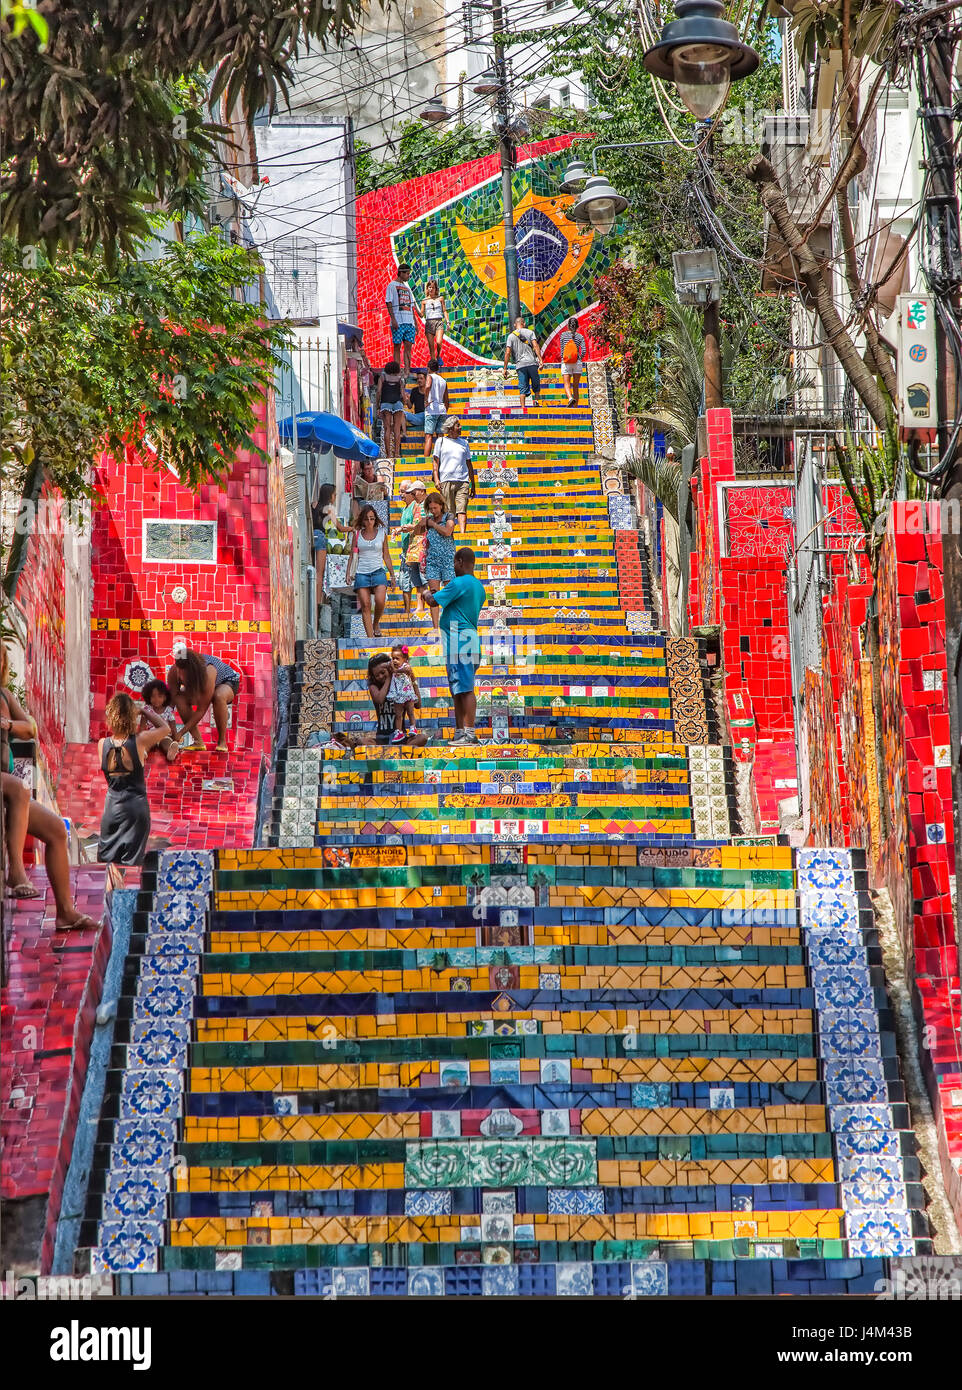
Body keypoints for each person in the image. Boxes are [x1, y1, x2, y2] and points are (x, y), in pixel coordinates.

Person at [1, 646, 100, 929]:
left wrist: (7, 724)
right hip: (8, 784)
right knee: (20, 789)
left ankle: (65, 913)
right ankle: (17, 872)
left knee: (57, 829)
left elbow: (30, 727)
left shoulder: (5, 696)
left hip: (6, 783)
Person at [97, 692, 170, 887]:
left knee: (107, 866)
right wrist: (144, 710)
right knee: (132, 868)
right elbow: (165, 728)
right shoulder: (140, 741)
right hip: (136, 808)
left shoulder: (102, 744)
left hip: (112, 808)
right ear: (132, 716)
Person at [424, 547, 486, 743]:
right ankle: (460, 732)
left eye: (454, 563)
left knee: (465, 689)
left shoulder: (459, 583)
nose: (453, 567)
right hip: (466, 641)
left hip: (460, 642)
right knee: (458, 688)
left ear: (460, 561)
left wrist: (427, 594)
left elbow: (434, 602)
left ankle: (469, 733)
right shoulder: (478, 586)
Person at [167, 647, 241, 754]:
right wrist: (168, 728)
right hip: (200, 685)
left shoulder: (208, 672)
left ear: (194, 671)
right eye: (180, 673)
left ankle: (222, 742)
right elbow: (171, 702)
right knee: (179, 699)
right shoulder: (174, 671)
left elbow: (201, 710)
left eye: (186, 675)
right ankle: (198, 742)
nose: (182, 677)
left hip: (227, 682)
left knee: (218, 696)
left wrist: (181, 732)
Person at [351, 503, 395, 639]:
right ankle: (370, 639)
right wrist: (348, 573)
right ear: (362, 520)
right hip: (361, 572)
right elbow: (352, 555)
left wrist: (392, 575)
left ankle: (376, 624)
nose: (369, 522)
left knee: (380, 600)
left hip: (378, 571)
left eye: (372, 518)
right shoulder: (357, 534)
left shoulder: (382, 533)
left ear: (375, 519)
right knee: (365, 605)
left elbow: (386, 555)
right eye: (366, 519)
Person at [365, 653, 427, 748]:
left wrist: (412, 679)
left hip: (400, 737)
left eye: (383, 672)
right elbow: (380, 699)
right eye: (377, 675)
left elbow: (418, 705)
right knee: (362, 741)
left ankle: (397, 749)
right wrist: (390, 676)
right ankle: (396, 750)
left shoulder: (401, 684)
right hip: (382, 737)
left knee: (423, 738)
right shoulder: (374, 686)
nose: (381, 676)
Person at [431, 415, 475, 535]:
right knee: (449, 510)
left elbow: (469, 464)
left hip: (463, 480)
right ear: (450, 428)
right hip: (446, 480)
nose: (460, 427)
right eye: (458, 425)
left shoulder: (464, 443)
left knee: (462, 509)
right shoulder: (441, 441)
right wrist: (436, 479)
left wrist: (473, 484)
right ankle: (451, 534)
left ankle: (462, 534)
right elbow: (435, 462)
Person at [420, 490, 456, 632]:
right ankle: (436, 628)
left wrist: (433, 524)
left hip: (448, 561)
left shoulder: (449, 516)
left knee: (449, 596)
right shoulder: (428, 519)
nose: (433, 511)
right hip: (433, 561)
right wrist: (421, 524)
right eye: (431, 508)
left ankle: (450, 627)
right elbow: (416, 531)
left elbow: (448, 531)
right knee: (434, 595)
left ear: (441, 505)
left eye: (435, 508)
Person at [400, 480, 429, 619]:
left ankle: (427, 605)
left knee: (424, 577)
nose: (412, 494)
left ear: (422, 491)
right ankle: (420, 606)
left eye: (414, 491)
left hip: (424, 544)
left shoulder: (427, 504)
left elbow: (423, 523)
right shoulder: (416, 505)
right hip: (414, 545)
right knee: (416, 577)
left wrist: (409, 527)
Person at [504, 315, 543, 407]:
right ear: (524, 323)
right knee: (536, 384)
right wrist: (540, 360)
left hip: (520, 365)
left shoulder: (510, 336)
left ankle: (523, 408)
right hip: (532, 363)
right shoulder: (530, 332)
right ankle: (536, 401)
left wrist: (505, 368)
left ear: (514, 325)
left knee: (522, 388)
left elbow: (507, 352)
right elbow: (536, 346)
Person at [385, 262, 416, 374]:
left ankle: (407, 370)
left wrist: (415, 323)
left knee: (408, 346)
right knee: (397, 345)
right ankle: (397, 370)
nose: (408, 276)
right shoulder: (391, 285)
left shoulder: (407, 289)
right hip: (398, 321)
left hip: (409, 322)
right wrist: (393, 319)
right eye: (407, 273)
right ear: (401, 273)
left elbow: (411, 307)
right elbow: (388, 302)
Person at [374, 359, 408, 460]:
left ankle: (388, 455)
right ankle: (397, 453)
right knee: (397, 429)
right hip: (397, 404)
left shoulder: (382, 377)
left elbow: (379, 392)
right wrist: (405, 403)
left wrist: (378, 406)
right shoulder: (399, 379)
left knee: (387, 429)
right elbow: (403, 394)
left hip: (385, 404)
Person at [139, 679, 180, 762]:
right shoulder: (146, 709)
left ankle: (170, 752)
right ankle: (143, 752)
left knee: (166, 742)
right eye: (153, 696)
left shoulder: (168, 710)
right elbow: (142, 728)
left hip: (164, 736)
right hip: (151, 735)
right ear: (148, 697)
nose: (156, 699)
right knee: (148, 742)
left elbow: (173, 727)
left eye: (160, 696)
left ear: (165, 697)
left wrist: (175, 740)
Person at [387, 643, 420, 742]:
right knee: (398, 715)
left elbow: (405, 670)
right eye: (393, 658)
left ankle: (413, 727)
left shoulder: (406, 666)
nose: (395, 661)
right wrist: (393, 668)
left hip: (408, 693)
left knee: (410, 712)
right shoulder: (393, 668)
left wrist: (395, 670)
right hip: (397, 695)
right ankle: (399, 732)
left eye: (397, 658)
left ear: (405, 659)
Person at [423, 358, 450, 462]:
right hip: (442, 409)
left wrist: (426, 400)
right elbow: (447, 399)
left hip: (432, 409)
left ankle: (425, 462)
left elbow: (428, 386)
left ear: (428, 368)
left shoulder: (430, 376)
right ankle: (441, 460)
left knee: (429, 436)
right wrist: (445, 409)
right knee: (440, 437)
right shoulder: (443, 380)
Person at [558, 315, 587, 407]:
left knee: (567, 384)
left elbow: (562, 350)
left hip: (566, 362)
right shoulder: (580, 337)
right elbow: (584, 350)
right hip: (577, 363)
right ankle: (576, 408)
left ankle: (570, 398)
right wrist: (579, 358)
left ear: (568, 326)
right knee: (575, 386)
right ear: (577, 326)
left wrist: (564, 358)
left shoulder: (563, 335)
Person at [421, 278, 449, 363]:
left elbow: (444, 310)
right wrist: (415, 308)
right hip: (429, 322)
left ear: (436, 289)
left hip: (438, 321)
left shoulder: (440, 298)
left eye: (433, 287)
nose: (431, 289)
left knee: (439, 341)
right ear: (427, 288)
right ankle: (433, 362)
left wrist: (447, 322)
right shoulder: (424, 301)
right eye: (429, 287)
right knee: (431, 345)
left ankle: (438, 355)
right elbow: (422, 314)